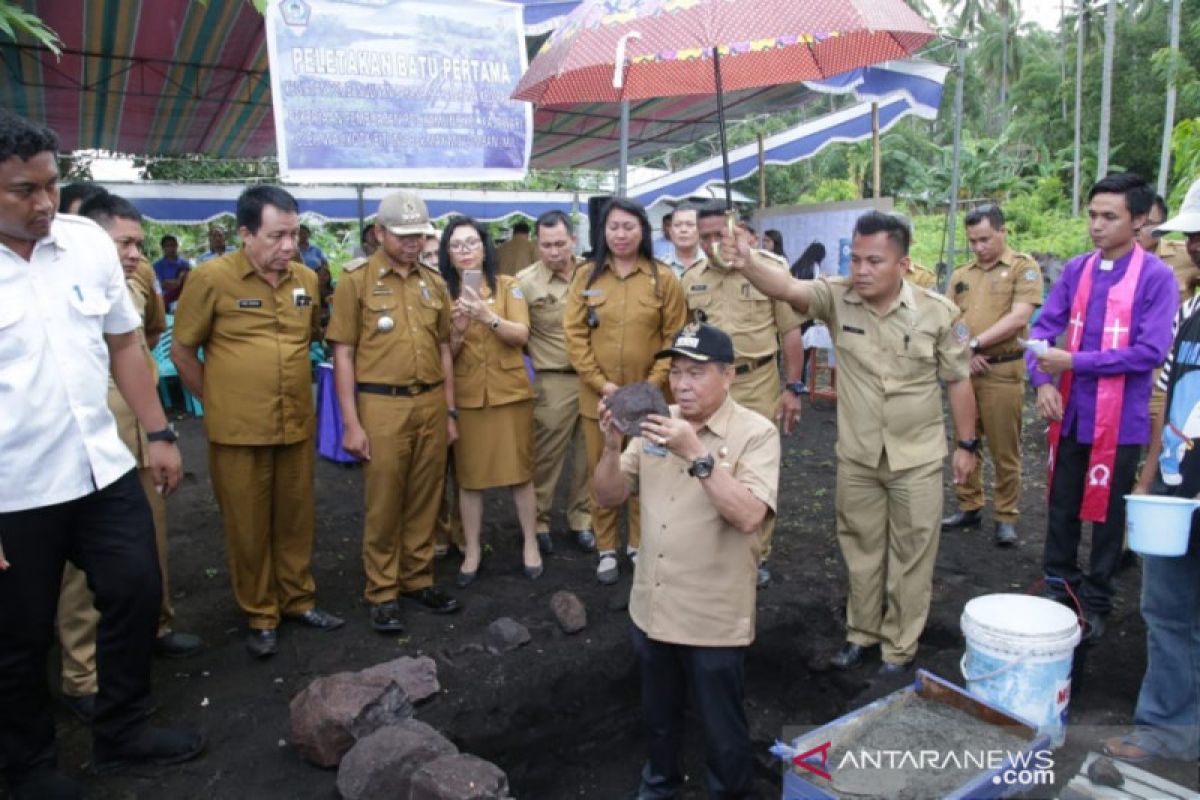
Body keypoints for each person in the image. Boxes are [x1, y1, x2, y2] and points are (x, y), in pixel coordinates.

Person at [0, 110, 203, 799]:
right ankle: (27, 767)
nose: (44, 203)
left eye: (51, 184)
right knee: (18, 638)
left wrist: (157, 433)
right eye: (23, 190)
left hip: (102, 467)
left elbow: (124, 343)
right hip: (14, 489)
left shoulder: (85, 242)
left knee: (137, 589)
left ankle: (121, 731)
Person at [724, 209, 978, 674]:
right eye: (856, 258)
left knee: (912, 555)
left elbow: (959, 380)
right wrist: (746, 261)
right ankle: (861, 634)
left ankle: (899, 649)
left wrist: (967, 445)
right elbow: (786, 288)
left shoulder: (937, 313)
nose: (860, 270)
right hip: (859, 455)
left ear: (902, 265)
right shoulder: (837, 297)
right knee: (860, 549)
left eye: (874, 261)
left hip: (917, 457)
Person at [592, 322, 780, 799]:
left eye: (696, 373)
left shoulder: (756, 434)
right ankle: (660, 784)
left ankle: (729, 792)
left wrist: (696, 452)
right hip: (652, 606)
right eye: (676, 372)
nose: (682, 385)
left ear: (729, 375)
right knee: (658, 719)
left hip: (713, 614)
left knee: (722, 727)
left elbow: (748, 515)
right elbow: (608, 495)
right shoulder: (654, 422)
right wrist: (612, 447)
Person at [172, 186, 344, 659]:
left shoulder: (306, 280)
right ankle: (260, 613)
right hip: (237, 433)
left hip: (294, 424)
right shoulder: (210, 278)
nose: (289, 246)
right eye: (276, 236)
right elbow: (182, 350)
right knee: (247, 526)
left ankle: (298, 600)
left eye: (294, 234)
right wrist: (218, 401)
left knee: (295, 519)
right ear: (245, 234)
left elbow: (309, 339)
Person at [54, 194, 203, 725]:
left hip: (139, 429)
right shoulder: (54, 281)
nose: (136, 253)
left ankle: (155, 628)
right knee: (81, 569)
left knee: (148, 538)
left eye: (139, 243)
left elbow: (147, 337)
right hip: (87, 437)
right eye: (125, 243)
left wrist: (159, 428)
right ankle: (83, 674)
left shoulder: (137, 284)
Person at [1026, 172, 1177, 643]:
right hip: (1070, 412)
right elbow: (1041, 331)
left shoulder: (1156, 277)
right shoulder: (1077, 270)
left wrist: (1074, 362)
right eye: (1092, 215)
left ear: (1137, 222)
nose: (1097, 225)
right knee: (1062, 504)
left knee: (1109, 516)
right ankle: (1059, 587)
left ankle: (1098, 599)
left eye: (1109, 217)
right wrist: (1043, 382)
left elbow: (1150, 352)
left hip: (1122, 421)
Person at [327, 191, 461, 632]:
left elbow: (443, 348)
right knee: (384, 502)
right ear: (379, 233)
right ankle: (382, 590)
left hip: (429, 401)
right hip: (381, 404)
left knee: (426, 497)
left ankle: (417, 579)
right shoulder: (356, 280)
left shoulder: (435, 282)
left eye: (419, 235)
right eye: (403, 235)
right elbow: (342, 354)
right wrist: (351, 422)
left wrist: (450, 411)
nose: (412, 243)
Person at [1104, 177, 1200, 765]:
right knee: (1166, 613)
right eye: (1192, 233)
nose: (1193, 244)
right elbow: (1173, 400)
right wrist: (1146, 482)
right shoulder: (1193, 310)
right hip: (1175, 493)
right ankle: (1167, 727)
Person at [565, 198, 688, 585]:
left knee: (647, 469)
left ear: (643, 232)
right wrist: (604, 386)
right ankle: (606, 549)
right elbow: (575, 337)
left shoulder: (662, 278)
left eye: (629, 227)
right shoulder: (585, 277)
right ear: (603, 231)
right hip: (598, 398)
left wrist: (649, 387)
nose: (621, 234)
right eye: (614, 227)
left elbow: (675, 336)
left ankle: (638, 543)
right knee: (602, 467)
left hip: (651, 398)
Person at [689, 201, 805, 588]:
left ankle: (758, 555)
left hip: (757, 382)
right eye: (703, 237)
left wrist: (793, 387)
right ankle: (713, 546)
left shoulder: (769, 270)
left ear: (735, 229)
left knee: (756, 470)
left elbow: (790, 332)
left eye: (717, 235)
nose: (710, 244)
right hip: (709, 386)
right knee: (710, 464)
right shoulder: (689, 278)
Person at [440, 216, 543, 584]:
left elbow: (521, 335)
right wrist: (457, 330)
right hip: (468, 398)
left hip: (509, 393)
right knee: (469, 479)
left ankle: (530, 543)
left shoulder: (507, 286)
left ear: (485, 248)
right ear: (448, 254)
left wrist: (488, 317)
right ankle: (471, 549)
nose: (465, 251)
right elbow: (444, 354)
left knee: (520, 473)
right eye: (456, 245)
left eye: (471, 243)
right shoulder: (441, 292)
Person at [941, 204, 1043, 546]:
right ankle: (969, 505)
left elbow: (1018, 318)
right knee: (965, 439)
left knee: (1004, 447)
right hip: (966, 371)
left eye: (985, 238)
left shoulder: (1022, 269)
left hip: (1001, 370)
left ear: (1002, 231)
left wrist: (975, 344)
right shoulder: (961, 274)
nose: (979, 246)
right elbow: (950, 320)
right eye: (973, 241)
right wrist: (964, 354)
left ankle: (1005, 514)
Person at [517, 210, 596, 555]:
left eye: (560, 244)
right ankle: (539, 521)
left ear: (573, 241)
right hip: (553, 380)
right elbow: (518, 335)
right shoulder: (524, 282)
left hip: (594, 379)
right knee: (545, 457)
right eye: (546, 245)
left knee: (589, 454)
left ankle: (583, 519)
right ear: (538, 244)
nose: (553, 252)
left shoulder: (595, 274)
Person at [1138, 193, 1198, 304]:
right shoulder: (1111, 258)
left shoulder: (1187, 254)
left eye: (1146, 224)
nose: (1138, 230)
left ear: (1162, 225)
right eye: (1133, 221)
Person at [667, 204, 704, 278]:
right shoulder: (659, 267)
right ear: (670, 231)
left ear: (702, 229)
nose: (683, 230)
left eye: (690, 224)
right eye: (677, 225)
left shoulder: (713, 264)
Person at [153, 234, 191, 306]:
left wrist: (171, 283)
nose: (171, 248)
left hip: (184, 299)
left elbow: (189, 283)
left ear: (177, 246)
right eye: (168, 246)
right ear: (163, 248)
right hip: (164, 300)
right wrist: (178, 281)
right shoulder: (157, 265)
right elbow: (161, 285)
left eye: (173, 245)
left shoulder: (185, 263)